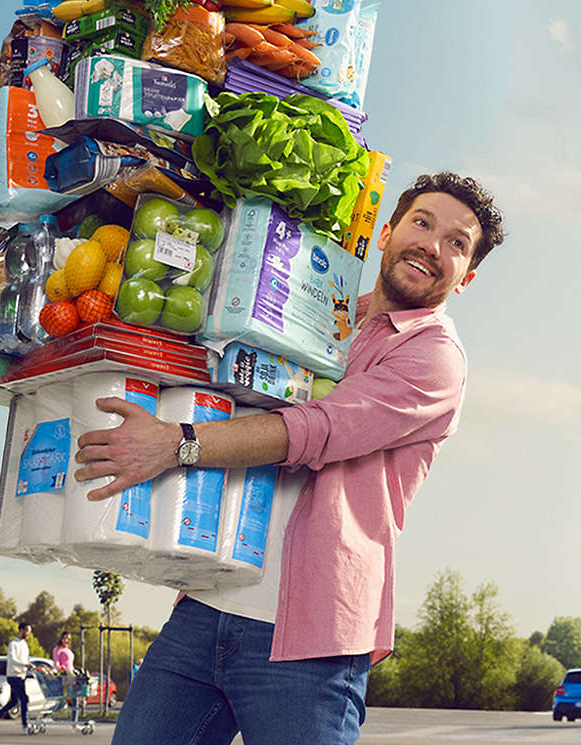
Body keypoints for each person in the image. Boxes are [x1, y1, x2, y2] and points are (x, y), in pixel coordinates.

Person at [73, 172, 505, 745]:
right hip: (207, 602)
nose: (433, 244)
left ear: (467, 277)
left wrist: (178, 442)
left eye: (457, 242)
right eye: (422, 223)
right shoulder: (314, 307)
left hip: (309, 636)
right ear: (386, 233)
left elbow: (316, 428)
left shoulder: (434, 358)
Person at [0, 622, 34, 735]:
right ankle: (25, 725)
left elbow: (25, 659)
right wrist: (25, 665)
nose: (28, 634)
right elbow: (11, 660)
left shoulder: (25, 644)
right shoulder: (13, 644)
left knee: (13, 702)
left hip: (21, 676)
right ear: (21, 630)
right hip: (13, 676)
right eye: (27, 631)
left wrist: (29, 666)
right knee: (24, 699)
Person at [52, 631, 78, 724]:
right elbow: (56, 664)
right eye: (65, 638)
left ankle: (75, 720)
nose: (67, 640)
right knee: (70, 698)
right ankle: (74, 721)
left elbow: (70, 664)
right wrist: (61, 668)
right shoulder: (58, 649)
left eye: (69, 639)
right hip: (64, 676)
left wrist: (74, 671)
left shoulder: (68, 649)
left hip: (71, 675)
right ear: (61, 638)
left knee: (70, 698)